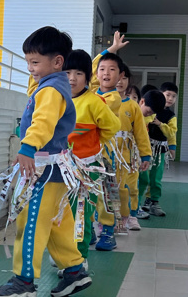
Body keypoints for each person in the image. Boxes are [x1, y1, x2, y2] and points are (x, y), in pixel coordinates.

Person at [0, 26, 92, 297]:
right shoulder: (54, 85)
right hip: (57, 169)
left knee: (30, 221)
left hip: (43, 171)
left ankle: (24, 281)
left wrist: (28, 147)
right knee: (57, 223)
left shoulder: (51, 90)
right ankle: (74, 271)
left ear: (57, 62)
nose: (30, 68)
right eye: (28, 62)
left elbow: (43, 122)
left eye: (35, 62)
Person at [64, 48, 121, 262]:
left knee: (82, 214)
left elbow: (112, 126)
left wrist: (95, 142)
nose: (72, 78)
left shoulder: (95, 102)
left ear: (89, 77)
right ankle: (64, 253)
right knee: (61, 212)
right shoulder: (56, 98)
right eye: (67, 72)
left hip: (87, 168)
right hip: (60, 168)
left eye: (79, 73)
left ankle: (79, 259)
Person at [90, 48, 127, 250]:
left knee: (105, 194)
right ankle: (88, 230)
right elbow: (89, 70)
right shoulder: (93, 92)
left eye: (112, 69)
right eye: (102, 69)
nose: (105, 73)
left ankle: (108, 232)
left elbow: (95, 109)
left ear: (120, 76)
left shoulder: (113, 98)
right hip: (85, 154)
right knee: (87, 193)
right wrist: (109, 50)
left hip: (103, 155)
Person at [116, 66, 152, 230]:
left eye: (124, 78)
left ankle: (132, 216)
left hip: (128, 155)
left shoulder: (133, 106)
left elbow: (141, 133)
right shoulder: (102, 102)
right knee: (109, 187)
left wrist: (145, 155)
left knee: (131, 187)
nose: (120, 81)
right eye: (117, 77)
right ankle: (110, 219)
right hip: (107, 154)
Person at [143, 82, 179, 217]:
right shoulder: (149, 109)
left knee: (156, 178)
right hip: (145, 149)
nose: (170, 98)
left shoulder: (171, 116)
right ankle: (139, 204)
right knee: (143, 177)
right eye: (168, 95)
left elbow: (172, 133)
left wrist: (160, 124)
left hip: (160, 151)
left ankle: (154, 202)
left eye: (173, 96)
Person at [136, 89, 169, 219]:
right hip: (127, 155)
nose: (149, 115)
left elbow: (144, 138)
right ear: (142, 101)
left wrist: (146, 156)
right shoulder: (132, 113)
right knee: (131, 182)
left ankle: (135, 207)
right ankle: (130, 209)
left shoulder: (149, 118)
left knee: (144, 179)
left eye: (152, 113)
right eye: (149, 111)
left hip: (141, 154)